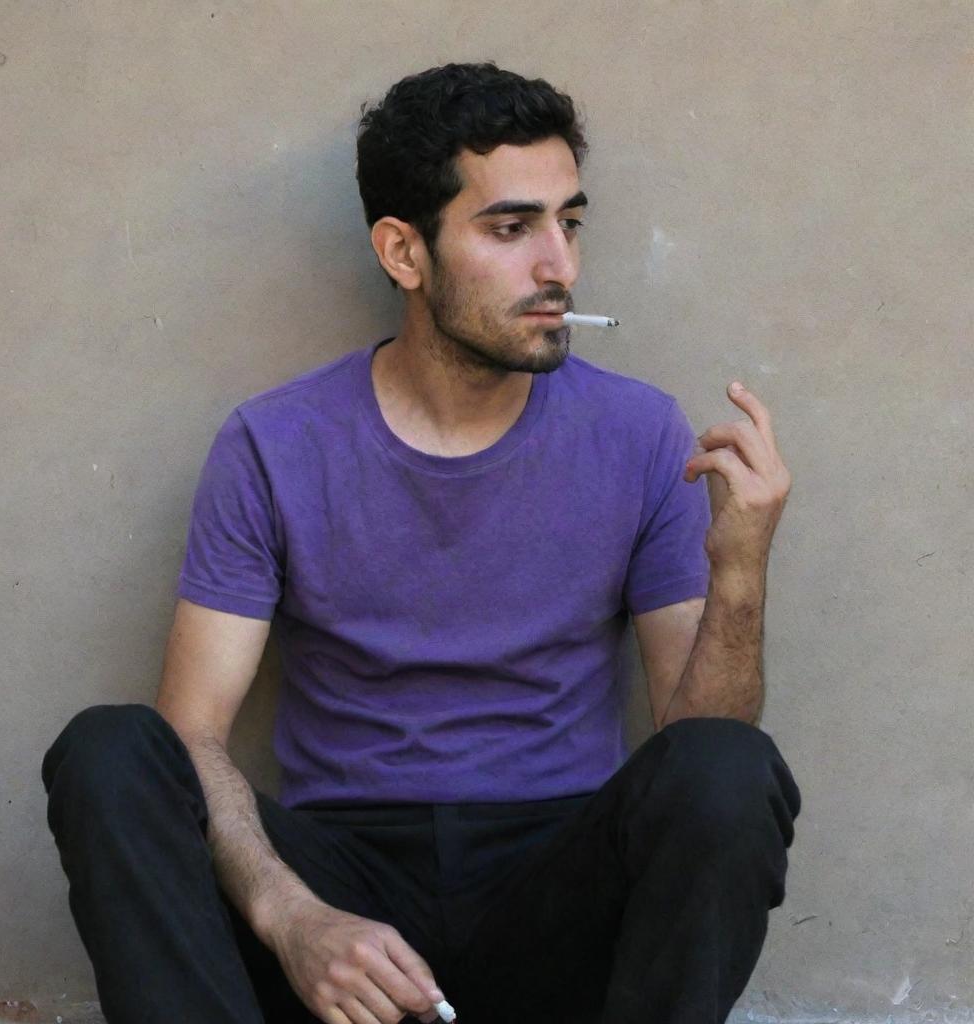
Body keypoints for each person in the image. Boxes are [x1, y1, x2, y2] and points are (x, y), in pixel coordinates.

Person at [42, 61, 801, 1024]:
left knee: (730, 768)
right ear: (404, 252)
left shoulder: (641, 434)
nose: (559, 266)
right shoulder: (275, 444)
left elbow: (696, 748)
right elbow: (191, 734)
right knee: (110, 754)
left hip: (553, 888)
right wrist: (294, 919)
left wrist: (740, 568)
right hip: (344, 884)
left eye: (569, 223)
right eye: (510, 227)